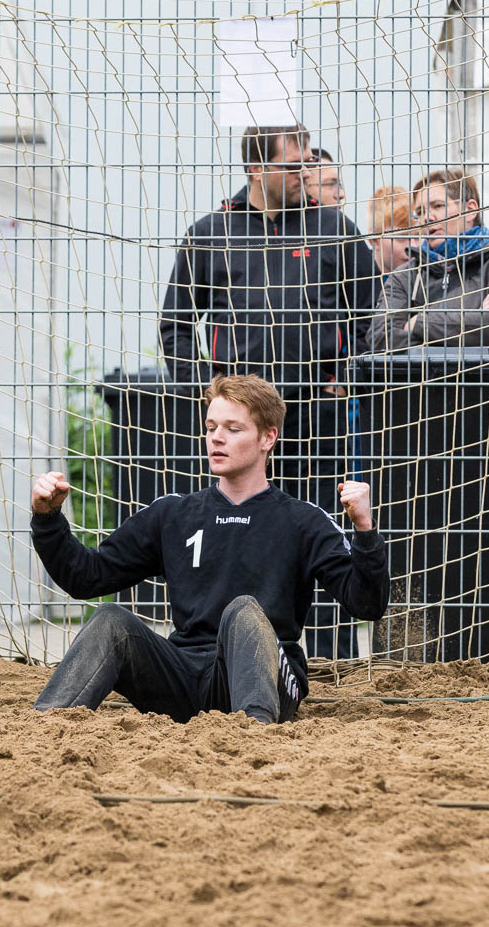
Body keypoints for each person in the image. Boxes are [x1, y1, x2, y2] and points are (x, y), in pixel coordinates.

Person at [31, 373, 390, 721]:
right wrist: (48, 520)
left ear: (268, 438)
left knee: (243, 610)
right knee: (111, 620)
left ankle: (255, 735)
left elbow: (367, 603)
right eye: (211, 427)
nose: (217, 438)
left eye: (233, 429)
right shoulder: (173, 514)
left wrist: (365, 530)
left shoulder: (303, 520)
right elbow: (85, 578)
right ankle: (46, 727)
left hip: (269, 681)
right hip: (185, 678)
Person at [158, 124, 381, 660]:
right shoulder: (212, 232)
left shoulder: (334, 229)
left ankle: (331, 656)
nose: (305, 172)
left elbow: (376, 315)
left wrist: (346, 377)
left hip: (316, 410)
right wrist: (209, 397)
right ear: (257, 170)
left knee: (323, 530)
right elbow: (176, 325)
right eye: (293, 164)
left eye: (308, 162)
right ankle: (225, 649)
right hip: (241, 422)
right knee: (236, 533)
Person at [369, 169, 489, 352]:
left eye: (438, 206)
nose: (427, 217)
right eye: (420, 211)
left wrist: (418, 322)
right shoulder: (404, 276)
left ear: (470, 210)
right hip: (421, 381)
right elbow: (381, 339)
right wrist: (475, 318)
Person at [366, 185, 415, 277]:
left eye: (418, 237)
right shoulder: (356, 284)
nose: (413, 246)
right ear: (375, 241)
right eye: (402, 237)